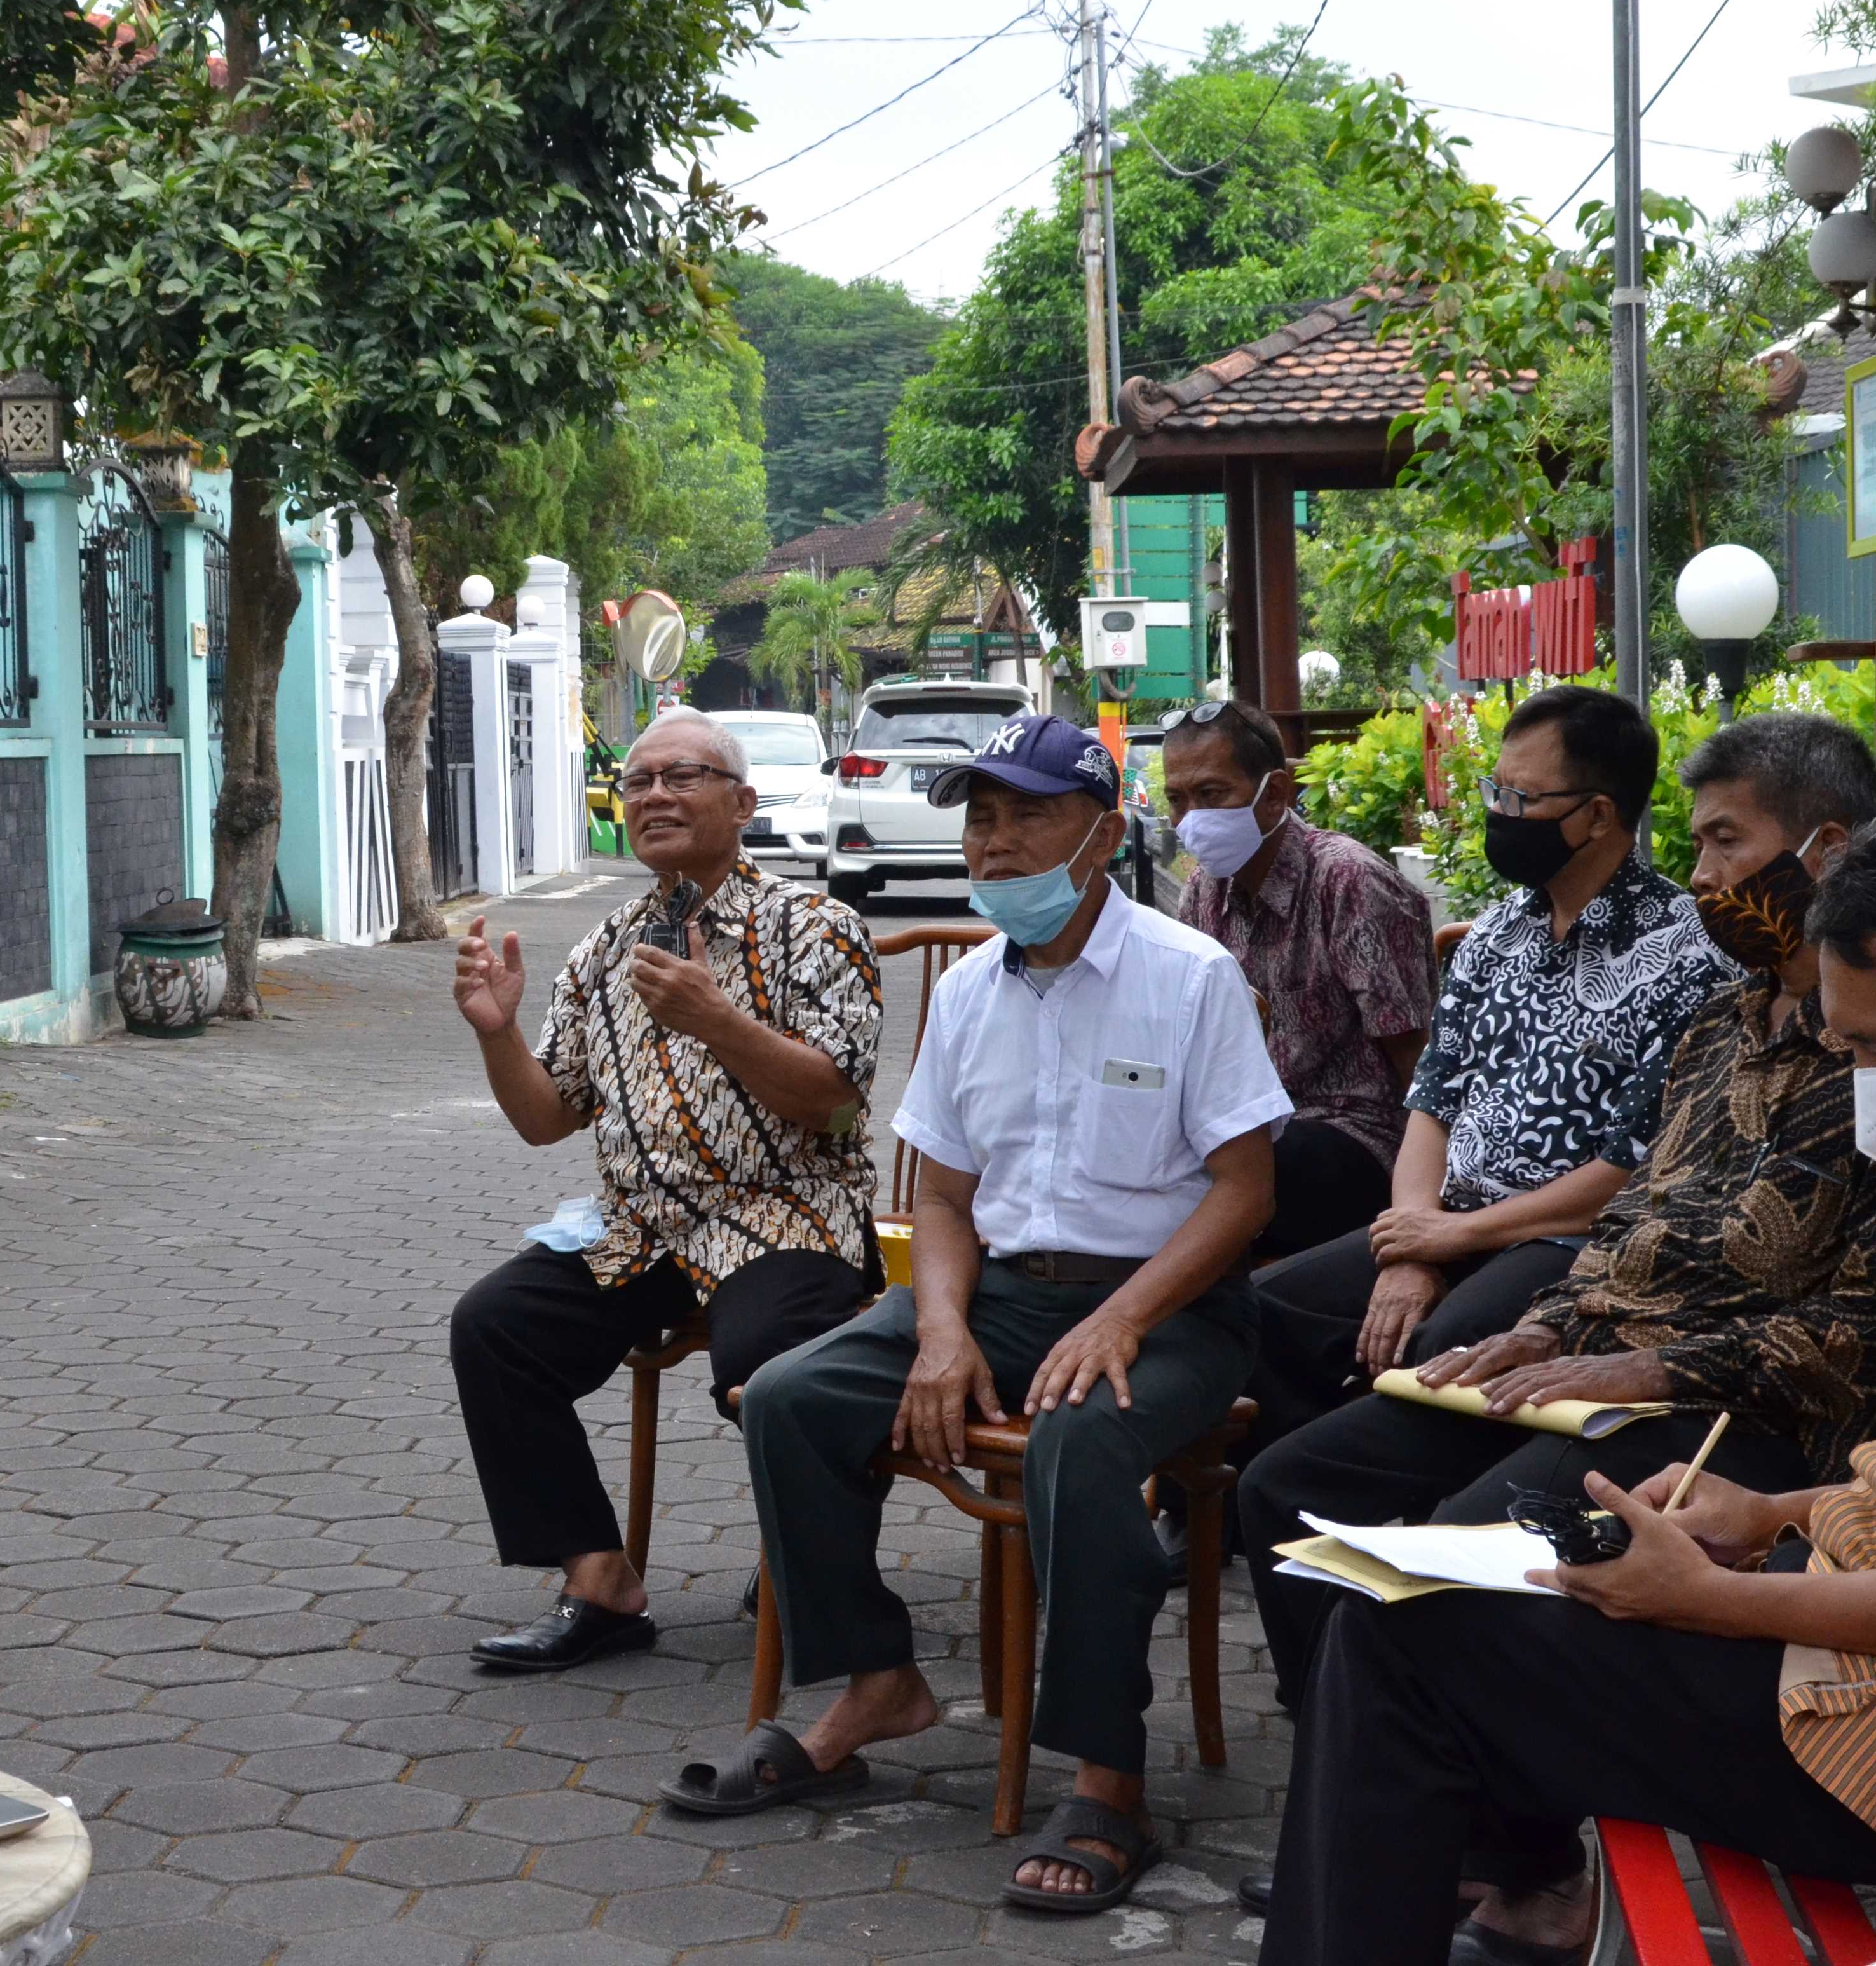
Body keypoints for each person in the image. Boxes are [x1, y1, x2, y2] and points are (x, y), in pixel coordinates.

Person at [1259, 799, 1876, 1966]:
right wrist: (1768, 1517)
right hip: (1859, 1652)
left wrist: (1707, 1599)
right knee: (1405, 1617)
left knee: (1406, 1653)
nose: (1859, 1089)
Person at [1235, 713, 1876, 1730]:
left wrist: (1639, 1367)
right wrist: (1546, 1327)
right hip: (1584, 1357)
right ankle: (1356, 1764)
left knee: (1445, 1561)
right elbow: (1632, 1216)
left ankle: (1507, 1854)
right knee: (1285, 1483)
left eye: (1726, 842)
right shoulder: (1725, 1026)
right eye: (1699, 841)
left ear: (1825, 852)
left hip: (1718, 1416)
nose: (1703, 875)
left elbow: (1867, 1332)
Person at [687, 714, 1289, 1916]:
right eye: (977, 816)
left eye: (1027, 813)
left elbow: (1244, 1189)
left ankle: (1108, 1778)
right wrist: (944, 1328)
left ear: (1103, 831)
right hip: (1002, 1292)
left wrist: (1121, 1317)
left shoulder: (1189, 975)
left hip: (1166, 1303)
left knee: (1079, 1436)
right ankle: (874, 1682)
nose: (995, 841)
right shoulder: (967, 990)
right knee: (794, 1394)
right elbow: (947, 1198)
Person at [447, 709, 883, 1672]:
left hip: (787, 1213)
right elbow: (546, 1117)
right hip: (646, 1230)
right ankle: (600, 1578)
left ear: (743, 802)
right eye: (636, 781)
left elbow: (835, 1102)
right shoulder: (604, 949)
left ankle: (810, 1559)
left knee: (773, 1362)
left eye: (681, 776)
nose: (652, 796)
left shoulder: (816, 926)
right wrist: (495, 1029)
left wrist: (717, 1020)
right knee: (495, 1327)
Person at [1245, 683, 1733, 1446]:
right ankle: (1325, 1502)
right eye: (1493, 790)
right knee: (1265, 1308)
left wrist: (1454, 1242)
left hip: (1566, 1239)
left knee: (1451, 1339)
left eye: (1519, 797)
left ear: (1598, 816)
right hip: (1450, 1215)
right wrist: (1415, 1235)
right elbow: (1431, 1100)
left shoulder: (1686, 953)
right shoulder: (1496, 934)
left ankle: (1408, 1515)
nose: (1498, 814)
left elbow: (1628, 1171)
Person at [1167, 698, 1436, 1259]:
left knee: (1214, 1184)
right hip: (1242, 1126)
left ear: (1277, 795)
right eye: (1177, 800)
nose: (1192, 818)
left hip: (1355, 1136)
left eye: (1212, 795)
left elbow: (1419, 1062)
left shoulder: (1350, 883)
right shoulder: (1203, 892)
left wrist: (1429, 1206)